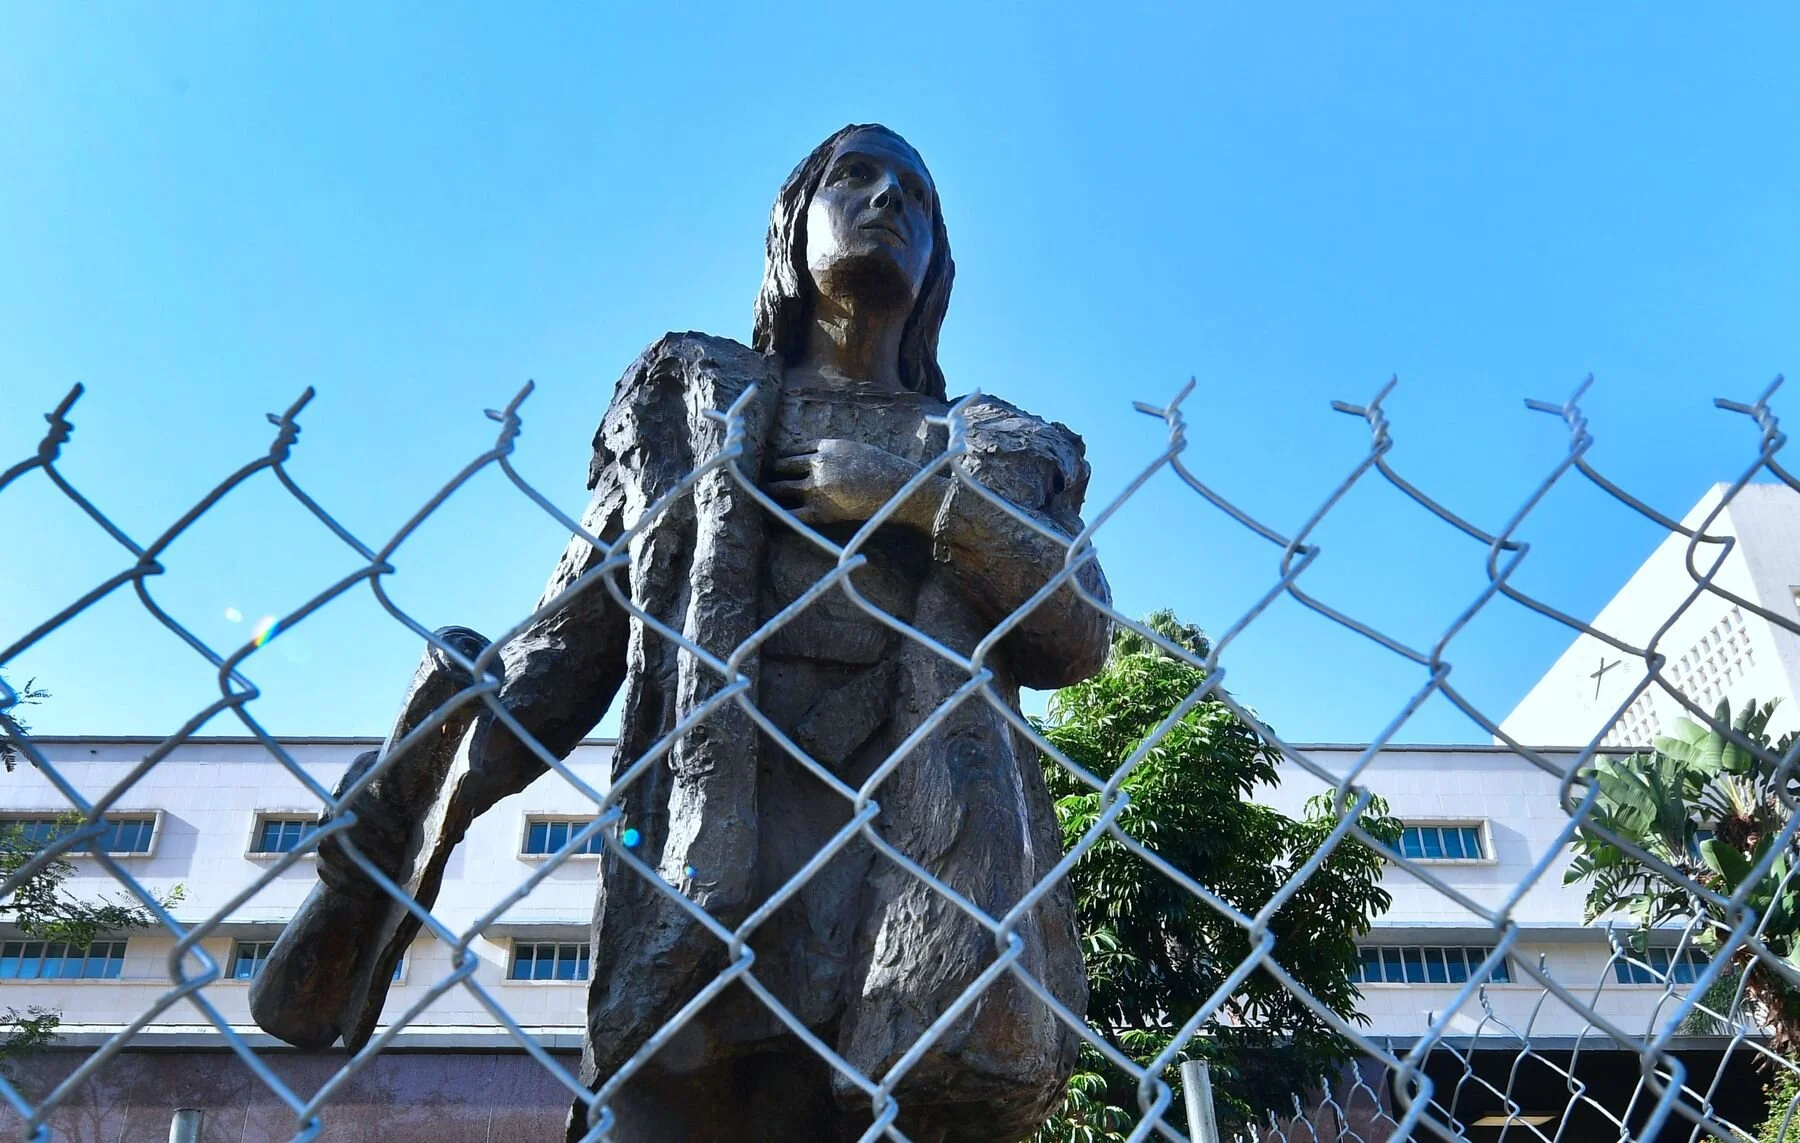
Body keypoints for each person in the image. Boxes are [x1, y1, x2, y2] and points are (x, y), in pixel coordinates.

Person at [252, 123, 1112, 1143]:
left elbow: (1077, 633)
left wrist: (914, 498)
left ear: (938, 269)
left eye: (913, 196)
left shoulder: (988, 447)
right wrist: (424, 799)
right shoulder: (693, 410)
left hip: (926, 887)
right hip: (711, 875)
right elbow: (573, 646)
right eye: (854, 178)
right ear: (788, 233)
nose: (886, 201)